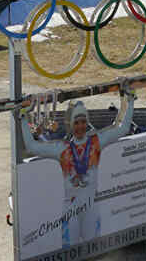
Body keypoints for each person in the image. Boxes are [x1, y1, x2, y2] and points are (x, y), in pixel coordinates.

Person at [20, 92, 136, 250]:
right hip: (71, 207)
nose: (80, 126)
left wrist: (130, 100)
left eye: (83, 122)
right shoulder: (62, 148)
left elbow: (123, 129)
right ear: (70, 124)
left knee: (93, 250)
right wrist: (22, 116)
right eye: (76, 122)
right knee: (69, 253)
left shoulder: (96, 142)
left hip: (91, 205)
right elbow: (31, 146)